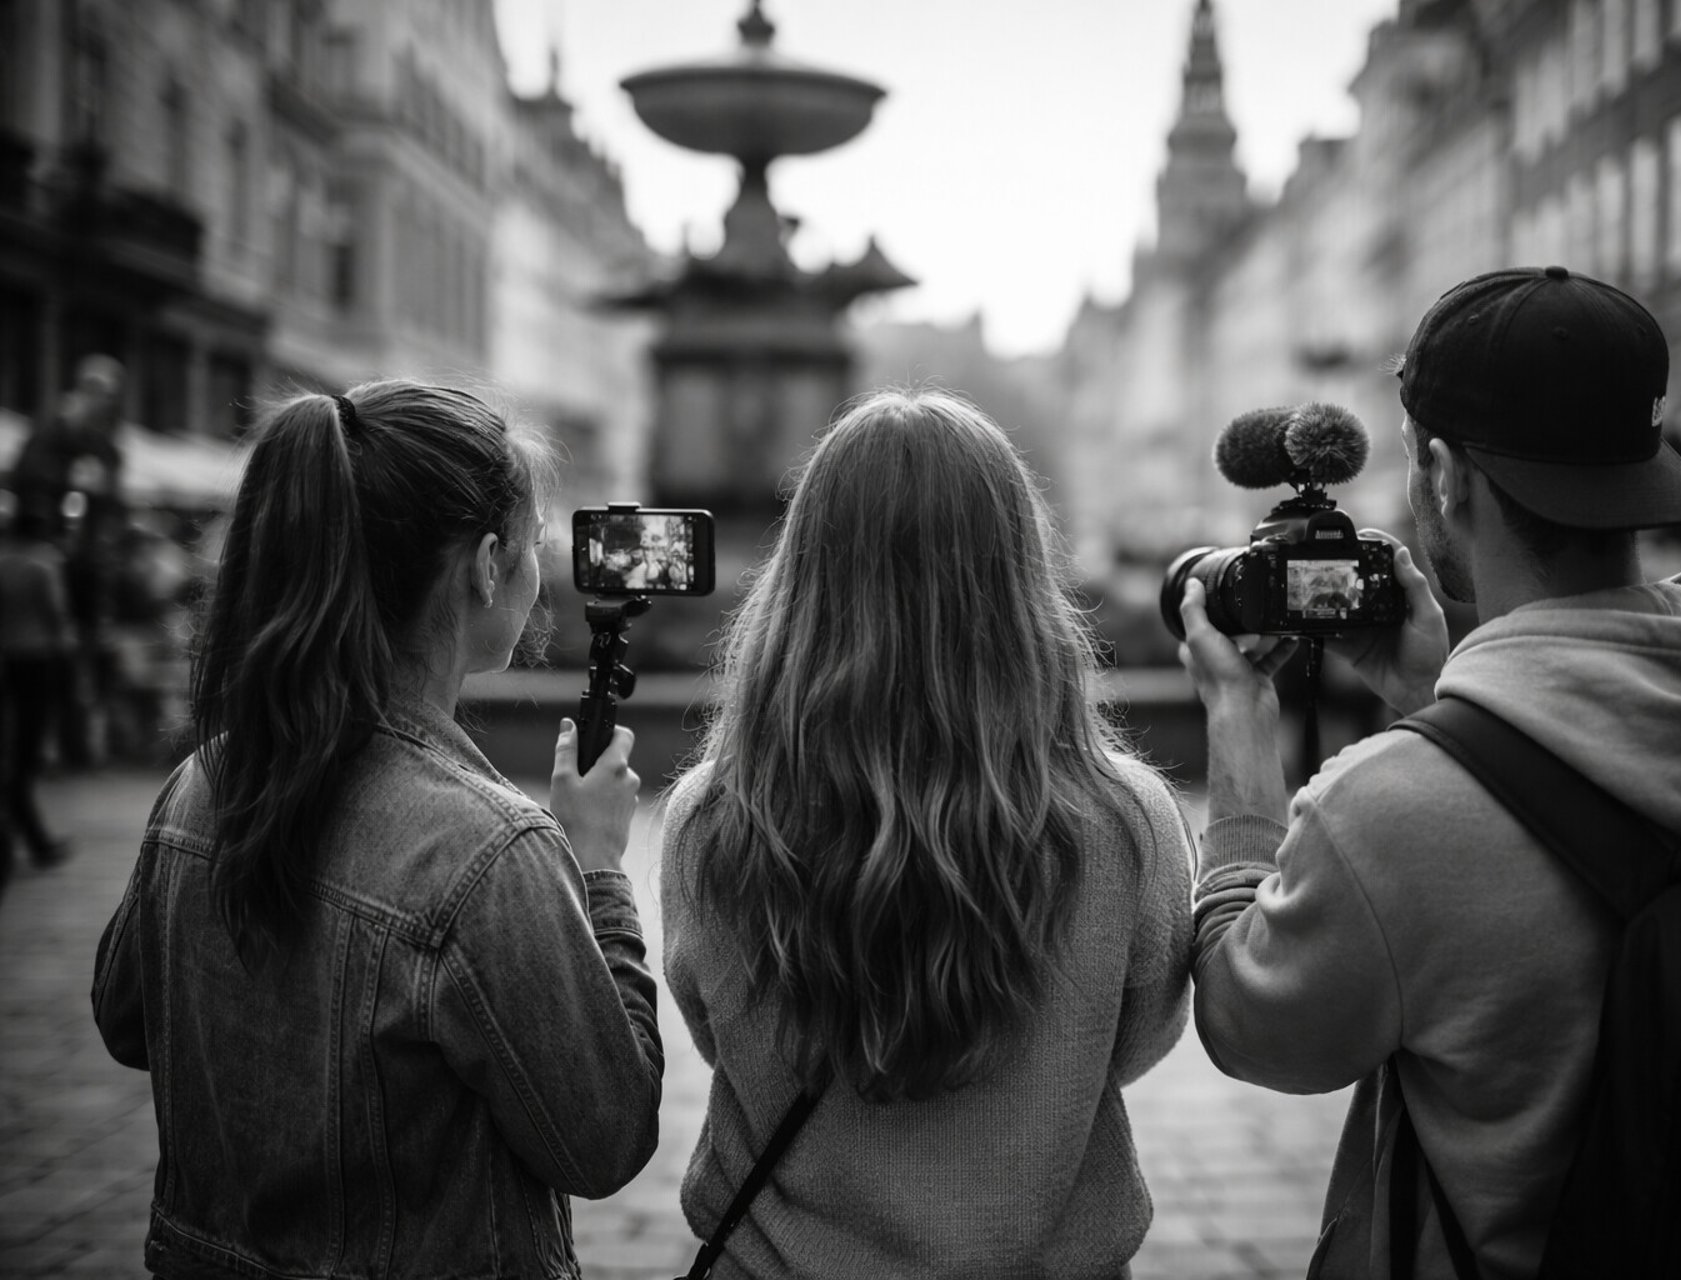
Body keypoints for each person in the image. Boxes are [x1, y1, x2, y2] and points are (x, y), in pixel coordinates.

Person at [1180, 266, 1681, 1278]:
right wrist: (1445, 694)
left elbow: (1252, 1024)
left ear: (1444, 474)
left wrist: (1238, 726)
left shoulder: (1392, 808)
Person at [92, 381, 665, 1277]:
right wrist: (596, 872)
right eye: (532, 541)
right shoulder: (489, 853)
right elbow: (606, 1137)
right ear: (485, 566)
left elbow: (127, 1019)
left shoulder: (200, 783)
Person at [659, 388, 1193, 1278]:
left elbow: (723, 1040)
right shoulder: (1125, 820)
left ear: (803, 570)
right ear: (1018, 573)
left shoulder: (712, 819)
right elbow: (1135, 1038)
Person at [0, 503, 77, 895]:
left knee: (12, 748)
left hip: (6, 659)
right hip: (38, 660)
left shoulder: (3, 560)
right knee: (26, 748)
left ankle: (26, 834)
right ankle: (28, 835)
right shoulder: (44, 562)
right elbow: (57, 613)